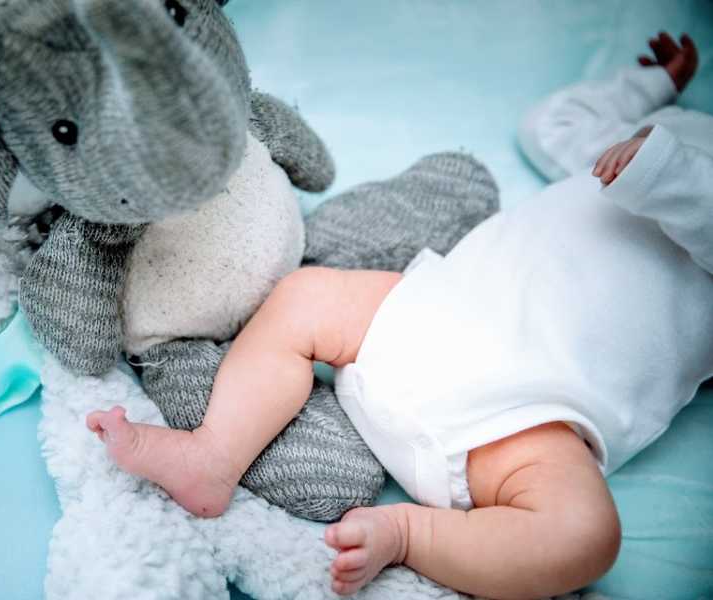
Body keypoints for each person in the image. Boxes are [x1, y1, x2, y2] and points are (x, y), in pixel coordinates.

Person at [86, 33, 713, 599]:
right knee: (306, 295)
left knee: (587, 537)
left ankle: (412, 535)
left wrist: (667, 174)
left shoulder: (673, 162)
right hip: (434, 314)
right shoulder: (676, 126)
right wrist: (651, 90)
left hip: (534, 419)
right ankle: (214, 455)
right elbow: (552, 126)